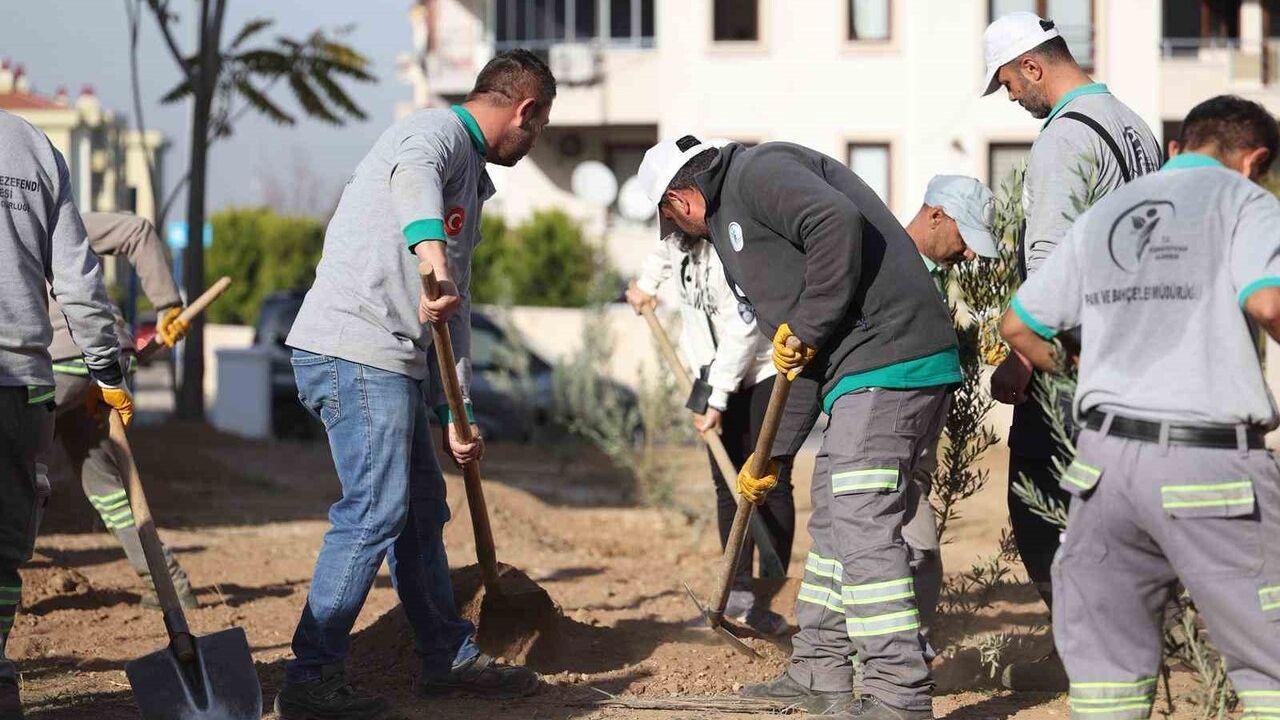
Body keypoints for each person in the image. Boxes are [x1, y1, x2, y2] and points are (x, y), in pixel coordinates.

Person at [636, 137, 991, 720]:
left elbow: (835, 221)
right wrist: (770, 458)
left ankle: (898, 693)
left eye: (670, 219)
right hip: (859, 375)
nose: (676, 231)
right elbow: (796, 357)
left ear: (683, 200)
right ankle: (819, 671)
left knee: (862, 525)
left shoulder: (757, 172)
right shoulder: (734, 225)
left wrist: (806, 322)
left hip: (889, 363)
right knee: (833, 522)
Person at [274, 50, 555, 720]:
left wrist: (453, 408)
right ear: (526, 110)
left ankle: (445, 657)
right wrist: (429, 254)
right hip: (354, 349)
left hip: (392, 361)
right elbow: (413, 181)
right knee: (375, 511)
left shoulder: (472, 184)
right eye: (539, 126)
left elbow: (452, 312)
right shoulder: (432, 134)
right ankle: (311, 678)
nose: (534, 138)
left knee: (420, 513)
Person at [999, 94, 1280, 720]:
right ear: (1252, 160)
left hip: (1102, 470)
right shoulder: (1247, 203)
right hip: (1206, 466)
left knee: (1107, 680)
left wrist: (1075, 368)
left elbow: (1018, 325)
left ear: (1178, 150)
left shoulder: (1107, 215)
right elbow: (1268, 302)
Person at [980, 9, 1161, 690]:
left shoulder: (1063, 138)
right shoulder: (1135, 127)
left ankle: (1089, 650)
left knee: (1037, 500)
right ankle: (1127, 638)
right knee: (1110, 501)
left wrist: (1024, 353)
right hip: (1134, 346)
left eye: (1007, 84)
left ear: (1033, 65)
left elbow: (1053, 257)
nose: (1011, 99)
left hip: (1071, 355)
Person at [624, 206, 817, 637]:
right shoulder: (677, 238)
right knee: (725, 485)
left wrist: (718, 399)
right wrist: (644, 287)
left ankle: (770, 592)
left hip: (763, 369)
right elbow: (659, 257)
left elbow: (744, 332)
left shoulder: (734, 247)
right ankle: (737, 594)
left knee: (765, 481)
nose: (669, 227)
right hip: (711, 370)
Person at [0, 109, 132, 719]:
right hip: (22, 383)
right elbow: (78, 278)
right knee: (3, 550)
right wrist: (106, 369)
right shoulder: (32, 145)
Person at [41, 212, 196, 610]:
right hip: (108, 354)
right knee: (104, 482)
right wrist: (167, 306)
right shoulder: (49, 210)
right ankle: (169, 585)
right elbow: (136, 229)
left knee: (13, 471)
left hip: (52, 358)